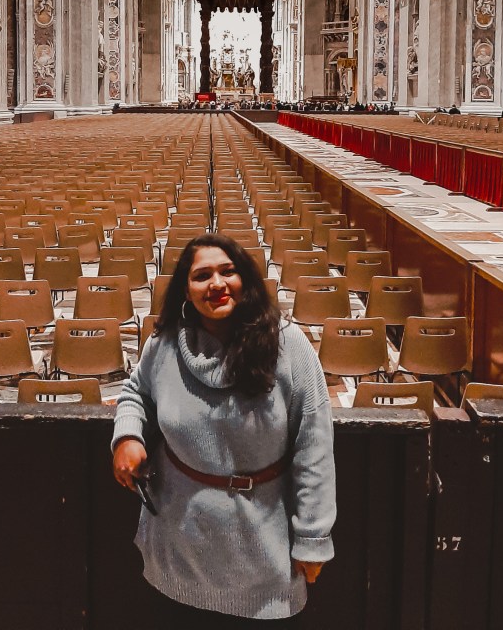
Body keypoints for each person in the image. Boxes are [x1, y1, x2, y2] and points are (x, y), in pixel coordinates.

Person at [112, 234, 336, 627]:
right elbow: (136, 391)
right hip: (179, 541)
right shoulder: (164, 344)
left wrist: (312, 540)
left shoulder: (289, 345)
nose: (216, 284)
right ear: (186, 290)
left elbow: (313, 447)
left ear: (245, 279)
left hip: (262, 548)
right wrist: (128, 435)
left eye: (227, 271)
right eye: (202, 276)